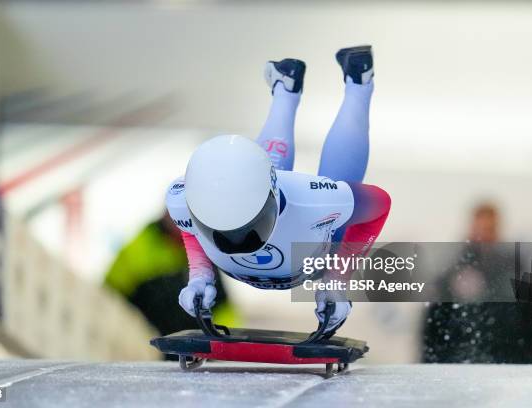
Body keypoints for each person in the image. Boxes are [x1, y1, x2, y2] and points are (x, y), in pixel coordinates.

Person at [166, 46, 391, 335]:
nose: (239, 240)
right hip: (301, 241)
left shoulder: (316, 200)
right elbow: (188, 223)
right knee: (276, 168)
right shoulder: (181, 199)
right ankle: (300, 86)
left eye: (247, 228)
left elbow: (380, 204)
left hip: (312, 231)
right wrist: (198, 275)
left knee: (335, 195)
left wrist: (337, 276)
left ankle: (353, 85)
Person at [421, 203, 532, 363]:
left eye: (490, 230)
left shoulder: (514, 267)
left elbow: (529, 321)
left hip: (508, 358)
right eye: (480, 229)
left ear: (498, 230)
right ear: (471, 228)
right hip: (460, 359)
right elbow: (435, 321)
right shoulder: (452, 268)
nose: (484, 236)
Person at [104, 211, 240, 337]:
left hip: (198, 351)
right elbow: (108, 300)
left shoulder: (204, 252)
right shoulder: (136, 250)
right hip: (147, 351)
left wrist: (223, 343)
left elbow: (223, 308)